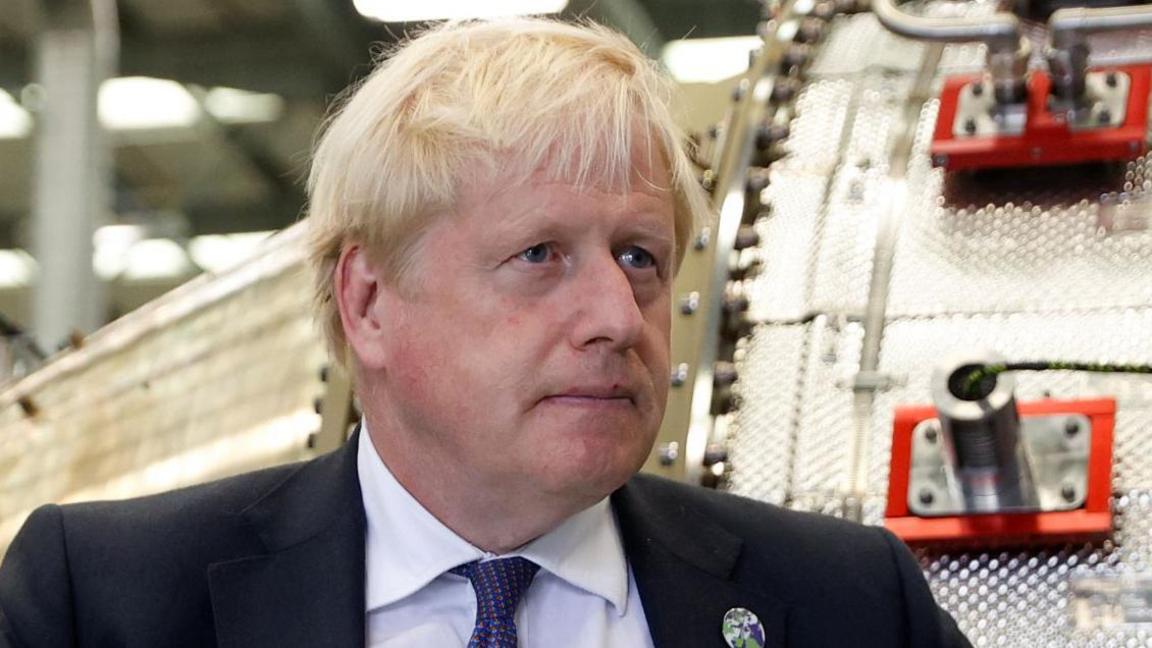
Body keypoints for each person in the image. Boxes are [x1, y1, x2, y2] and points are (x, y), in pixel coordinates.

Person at [0, 17, 971, 648]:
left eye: (639, 255)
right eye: (540, 254)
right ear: (369, 302)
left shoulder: (851, 607)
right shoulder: (104, 604)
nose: (616, 317)